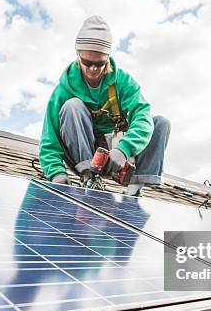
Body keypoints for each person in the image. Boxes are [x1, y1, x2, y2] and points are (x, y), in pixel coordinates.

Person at [38, 15, 170, 196]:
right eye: (87, 62)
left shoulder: (123, 82)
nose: (93, 69)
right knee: (72, 106)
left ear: (108, 57)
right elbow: (49, 138)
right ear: (78, 54)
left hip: (116, 149)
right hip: (84, 149)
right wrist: (55, 173)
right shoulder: (64, 89)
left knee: (160, 123)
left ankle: (135, 188)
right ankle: (89, 177)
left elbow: (142, 116)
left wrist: (123, 150)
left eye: (99, 63)